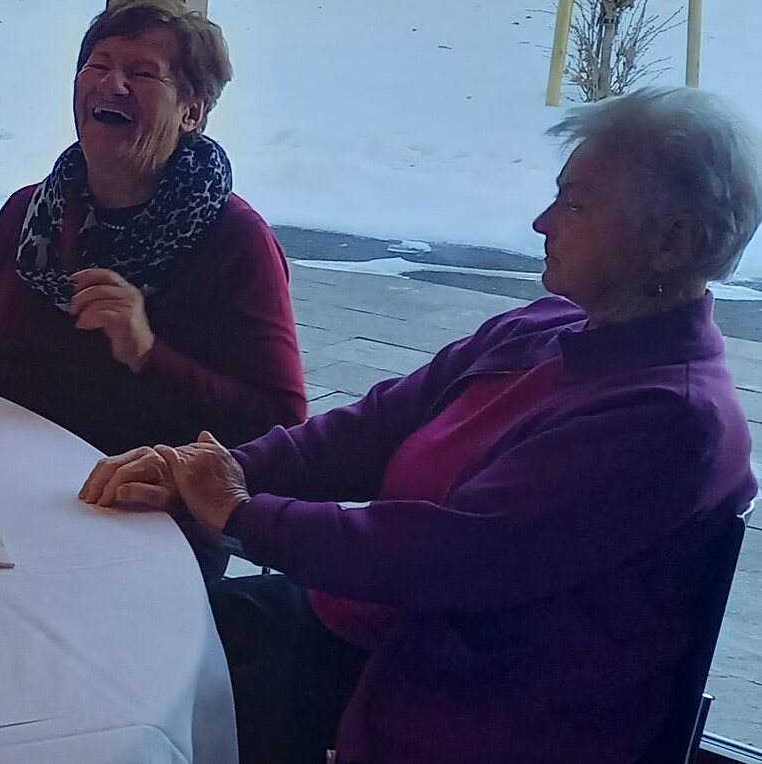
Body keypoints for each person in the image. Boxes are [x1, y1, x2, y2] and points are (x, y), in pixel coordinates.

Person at [81, 85, 762, 764]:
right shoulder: (548, 326)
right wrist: (218, 473)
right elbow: (374, 426)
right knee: (110, 642)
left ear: (673, 241)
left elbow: (449, 554)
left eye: (576, 203)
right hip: (365, 623)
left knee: (124, 719)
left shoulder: (671, 418)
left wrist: (238, 512)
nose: (542, 221)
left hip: (456, 704)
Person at [0, 0, 305, 458]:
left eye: (143, 72)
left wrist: (146, 352)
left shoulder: (235, 238)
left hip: (137, 488)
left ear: (192, 112)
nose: (112, 84)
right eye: (98, 65)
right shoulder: (30, 213)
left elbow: (281, 426)